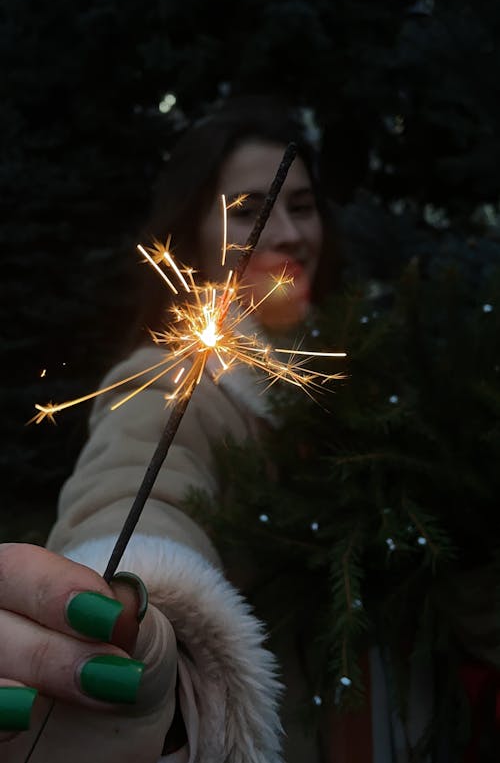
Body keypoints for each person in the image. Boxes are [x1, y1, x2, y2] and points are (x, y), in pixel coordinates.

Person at [0, 94, 424, 763]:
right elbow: (132, 492)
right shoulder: (174, 381)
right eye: (250, 211)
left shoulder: (381, 381)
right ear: (193, 231)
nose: (285, 233)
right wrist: (137, 613)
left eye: (303, 206)